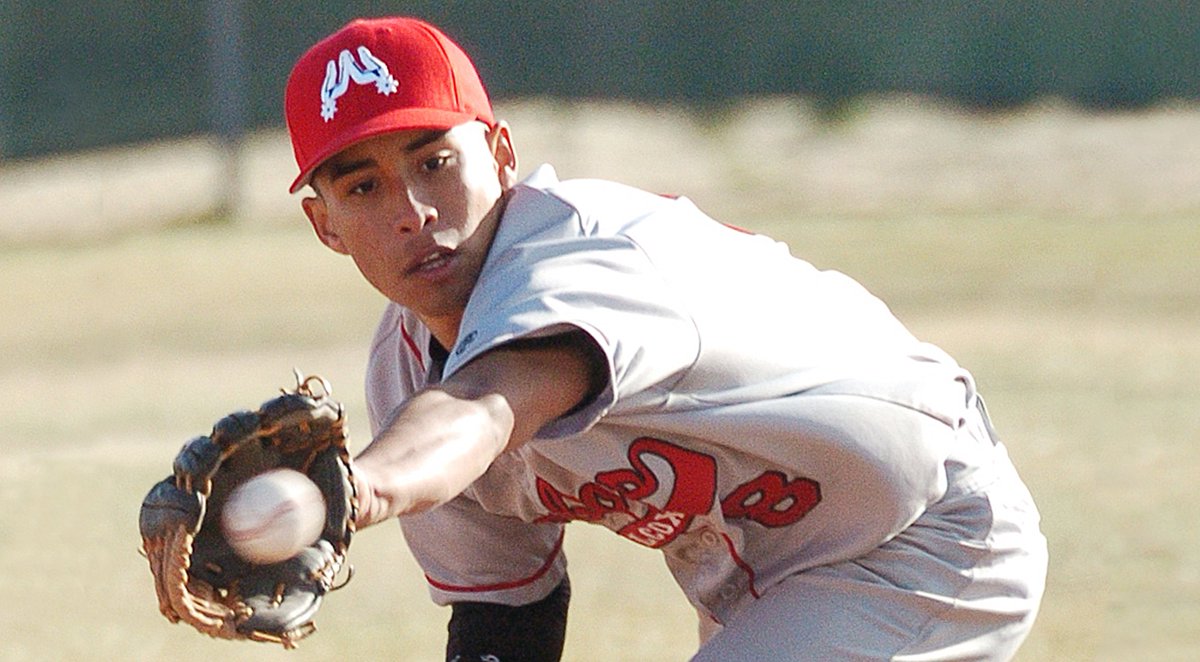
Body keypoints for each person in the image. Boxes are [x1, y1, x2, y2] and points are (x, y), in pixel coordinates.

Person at [283, 16, 1047, 661]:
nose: (412, 211)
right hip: (765, 580)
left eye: (435, 162)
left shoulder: (576, 254)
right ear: (326, 227)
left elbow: (488, 404)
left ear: (502, 154)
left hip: (921, 533)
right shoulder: (405, 378)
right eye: (364, 187)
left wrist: (354, 489)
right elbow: (505, 617)